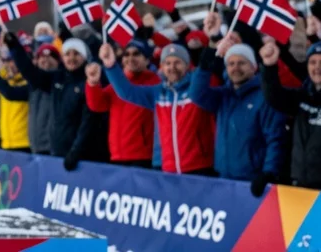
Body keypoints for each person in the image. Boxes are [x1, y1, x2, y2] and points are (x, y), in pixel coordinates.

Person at [97, 42, 214, 175]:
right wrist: (111, 65)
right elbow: (127, 92)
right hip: (168, 167)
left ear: (187, 65)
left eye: (177, 62)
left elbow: (203, 75)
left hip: (198, 166)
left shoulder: (196, 90)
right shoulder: (158, 93)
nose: (172, 67)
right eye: (167, 63)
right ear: (162, 67)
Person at [191, 36, 286, 194]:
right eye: (231, 64)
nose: (236, 68)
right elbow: (197, 94)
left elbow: (275, 138)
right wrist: (204, 65)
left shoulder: (265, 97)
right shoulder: (223, 95)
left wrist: (268, 172)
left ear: (253, 67)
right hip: (224, 177)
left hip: (252, 181)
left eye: (242, 63)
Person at [5, 27, 108, 169]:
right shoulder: (57, 78)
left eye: (76, 54)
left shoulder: (90, 82)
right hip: (57, 153)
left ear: (84, 57)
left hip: (83, 158)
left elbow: (88, 122)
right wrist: (14, 47)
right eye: (67, 54)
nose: (71, 58)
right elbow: (31, 74)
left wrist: (75, 151)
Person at [84, 39, 157, 168]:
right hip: (117, 153)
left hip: (143, 155)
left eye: (136, 54)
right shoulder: (116, 84)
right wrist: (93, 83)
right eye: (126, 55)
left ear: (147, 60)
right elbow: (97, 105)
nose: (130, 58)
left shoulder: (154, 83)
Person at [260, 40, 321, 189]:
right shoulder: (302, 95)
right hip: (301, 182)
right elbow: (274, 97)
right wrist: (269, 66)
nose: (317, 67)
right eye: (312, 62)